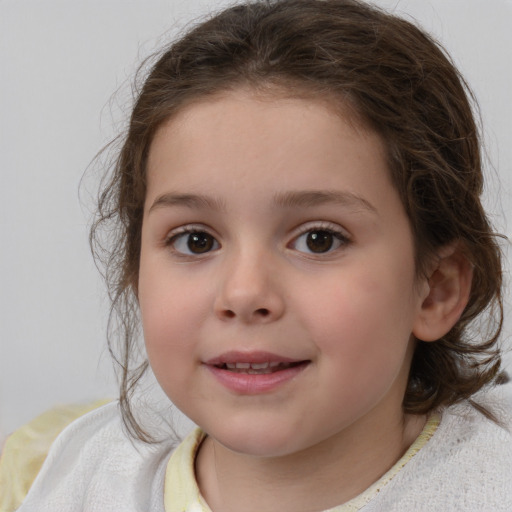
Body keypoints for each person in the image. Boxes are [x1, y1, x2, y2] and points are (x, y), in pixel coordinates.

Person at [8, 0, 512, 510]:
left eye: (319, 239)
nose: (245, 294)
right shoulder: (79, 485)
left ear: (437, 288)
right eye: (196, 240)